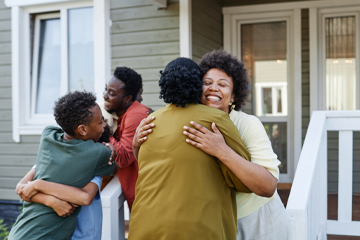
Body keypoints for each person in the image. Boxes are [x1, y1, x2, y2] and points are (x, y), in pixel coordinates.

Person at [134, 50, 289, 239]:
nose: (213, 88)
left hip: (255, 219)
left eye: (223, 84)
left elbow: (268, 186)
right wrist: (137, 146)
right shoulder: (190, 122)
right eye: (207, 83)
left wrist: (221, 150)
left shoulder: (248, 124)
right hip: (216, 220)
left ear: (233, 96)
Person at [128, 57, 251, 240]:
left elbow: (148, 164)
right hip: (199, 230)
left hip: (144, 227)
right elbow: (243, 180)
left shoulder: (150, 121)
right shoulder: (216, 119)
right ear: (197, 84)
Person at [8, 91, 118, 240]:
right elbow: (115, 169)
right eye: (100, 122)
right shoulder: (97, 153)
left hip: (20, 232)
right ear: (82, 129)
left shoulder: (48, 135)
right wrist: (110, 150)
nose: (104, 125)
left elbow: (21, 188)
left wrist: (40, 188)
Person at [100, 67, 150, 211]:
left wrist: (102, 129)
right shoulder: (126, 114)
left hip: (144, 197)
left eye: (112, 93)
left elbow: (123, 157)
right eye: (106, 90)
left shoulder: (136, 115)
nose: (105, 96)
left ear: (128, 98)